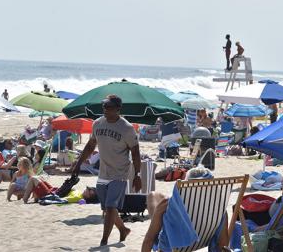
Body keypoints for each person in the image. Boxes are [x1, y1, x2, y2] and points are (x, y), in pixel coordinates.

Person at [71, 94, 141, 246]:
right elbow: (90, 146)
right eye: (104, 106)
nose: (105, 109)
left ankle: (104, 242)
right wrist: (77, 165)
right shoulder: (97, 124)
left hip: (120, 172)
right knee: (107, 207)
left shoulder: (127, 128)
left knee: (110, 206)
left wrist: (137, 174)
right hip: (103, 172)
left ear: (118, 109)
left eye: (109, 107)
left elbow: (135, 152)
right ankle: (123, 229)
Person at [142, 166, 229, 251]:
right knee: (155, 195)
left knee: (153, 197)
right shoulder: (219, 209)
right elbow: (223, 244)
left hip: (171, 248)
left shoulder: (170, 205)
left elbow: (148, 240)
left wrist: (158, 213)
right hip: (199, 245)